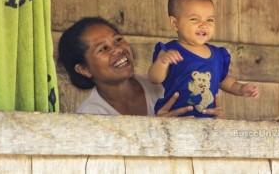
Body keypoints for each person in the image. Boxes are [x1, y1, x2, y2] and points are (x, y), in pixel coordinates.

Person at [58, 16, 224, 117]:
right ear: (84, 69)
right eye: (103, 48)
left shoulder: (164, 87)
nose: (117, 49)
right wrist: (160, 130)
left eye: (117, 40)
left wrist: (210, 120)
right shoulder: (91, 114)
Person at [148, 0, 259, 117]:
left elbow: (222, 80)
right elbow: (154, 78)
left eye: (209, 20)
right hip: (175, 118)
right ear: (175, 23)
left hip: (207, 120)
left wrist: (241, 88)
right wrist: (163, 62)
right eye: (195, 19)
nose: (203, 24)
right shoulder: (170, 50)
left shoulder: (218, 55)